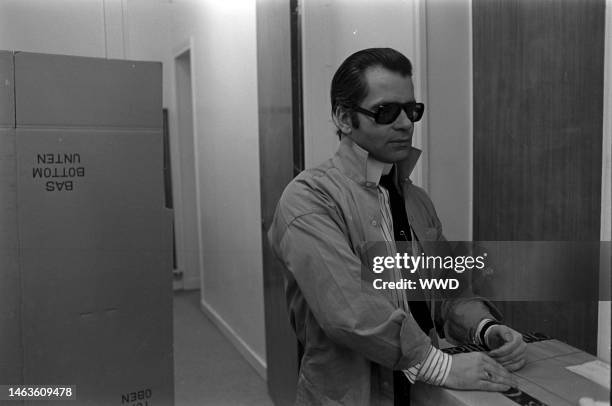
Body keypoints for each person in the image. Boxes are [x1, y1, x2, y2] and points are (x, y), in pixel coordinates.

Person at [268, 47, 526, 405]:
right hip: (354, 394)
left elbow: (446, 288)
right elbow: (349, 312)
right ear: (344, 118)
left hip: (425, 391)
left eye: (412, 110)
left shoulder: (416, 200)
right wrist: (441, 365)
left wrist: (485, 328)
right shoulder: (310, 199)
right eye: (386, 111)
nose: (405, 123)